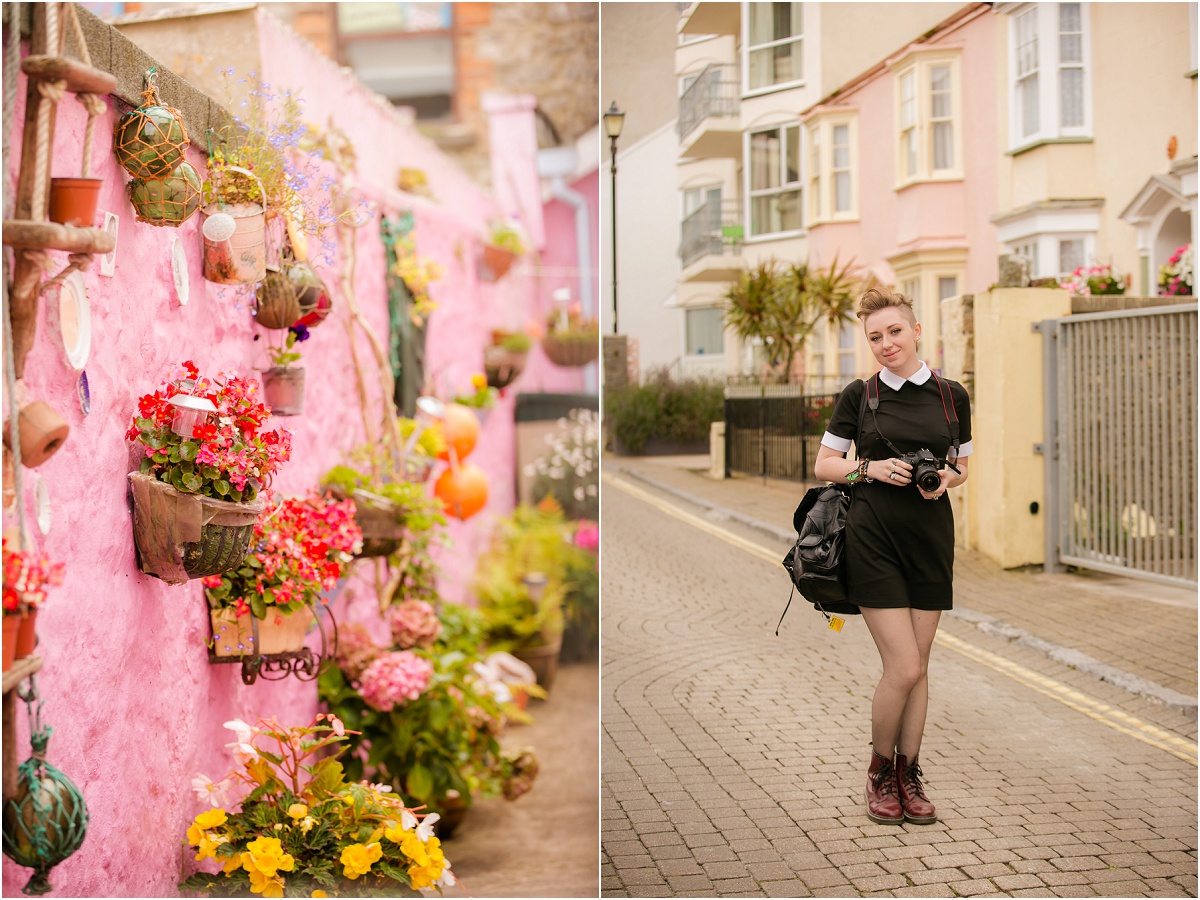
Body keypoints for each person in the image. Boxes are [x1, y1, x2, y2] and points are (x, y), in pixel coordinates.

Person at [813, 287, 972, 826]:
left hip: (930, 540)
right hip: (873, 540)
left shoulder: (953, 396)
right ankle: (880, 772)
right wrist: (871, 469)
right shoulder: (860, 395)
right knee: (902, 665)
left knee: (920, 668)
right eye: (874, 336)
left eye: (894, 332)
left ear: (917, 330)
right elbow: (825, 465)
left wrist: (946, 479)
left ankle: (909, 774)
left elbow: (960, 467)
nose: (885, 344)